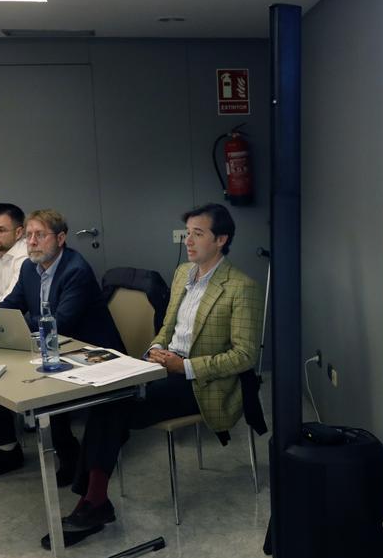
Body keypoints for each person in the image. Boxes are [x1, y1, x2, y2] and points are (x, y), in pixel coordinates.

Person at [60, 203, 263, 539]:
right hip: (165, 367)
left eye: (198, 234)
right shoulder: (184, 272)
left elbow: (243, 356)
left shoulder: (242, 287)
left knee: (114, 403)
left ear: (221, 239)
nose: (189, 241)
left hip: (202, 382)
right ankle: (93, 499)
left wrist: (183, 366)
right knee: (106, 395)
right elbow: (167, 325)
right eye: (188, 234)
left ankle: (93, 501)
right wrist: (154, 349)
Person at [0, 209, 126, 489]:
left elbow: (61, 322)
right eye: (29, 235)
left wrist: (16, 323)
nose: (32, 242)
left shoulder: (75, 269)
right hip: (54, 347)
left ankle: (70, 457)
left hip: (90, 351)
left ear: (61, 238)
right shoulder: (30, 268)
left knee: (42, 391)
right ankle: (11, 448)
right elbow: (12, 304)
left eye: (40, 235)